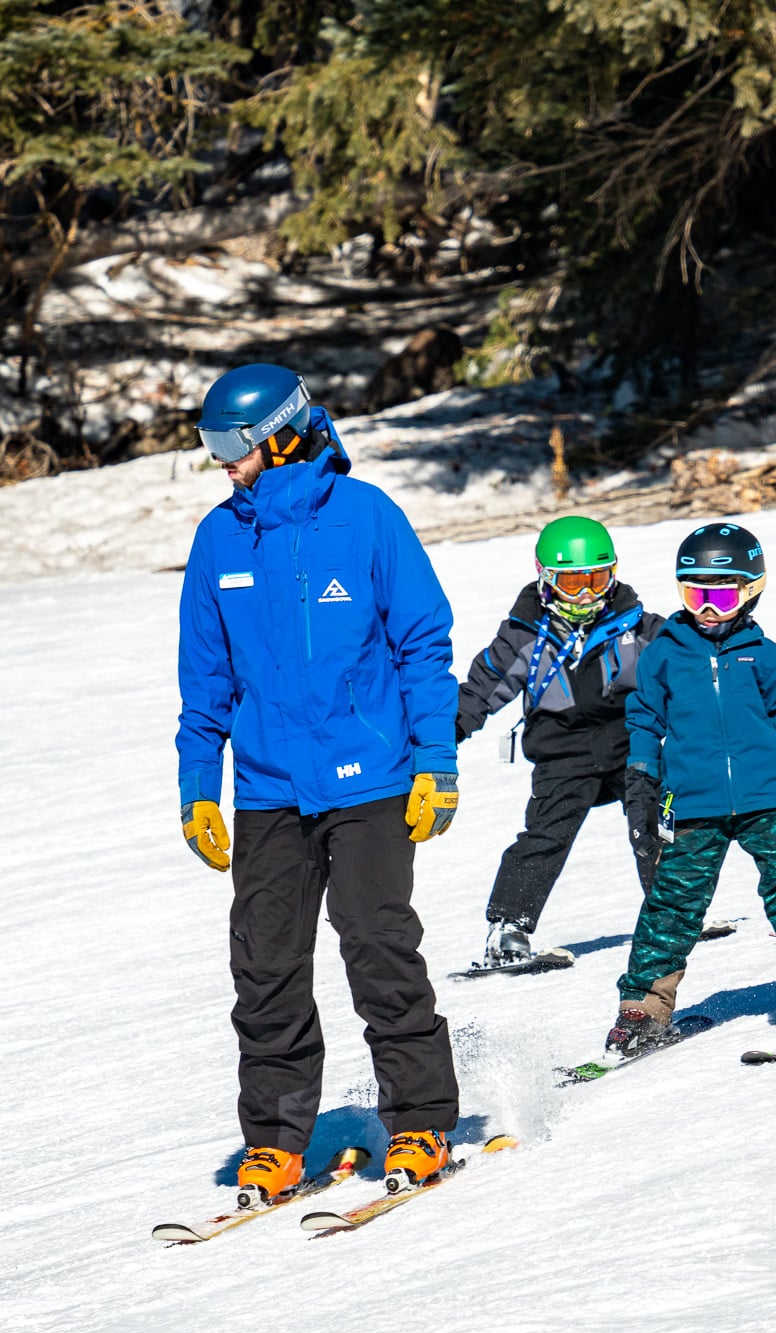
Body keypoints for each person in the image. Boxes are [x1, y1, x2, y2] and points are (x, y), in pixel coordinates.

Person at [175, 363, 462, 1205]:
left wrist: (436, 763)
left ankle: (419, 1121)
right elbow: (206, 681)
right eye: (211, 444)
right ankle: (274, 1142)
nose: (221, 461)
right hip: (268, 791)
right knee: (264, 967)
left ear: (284, 432)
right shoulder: (219, 538)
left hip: (371, 780)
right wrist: (200, 787)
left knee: (377, 947)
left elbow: (423, 645)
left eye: (232, 444)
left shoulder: (367, 518)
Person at [603, 522, 776, 1063]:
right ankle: (644, 1005)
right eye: (695, 594)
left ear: (750, 590)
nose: (708, 608)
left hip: (766, 796)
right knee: (672, 901)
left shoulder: (762, 652)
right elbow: (645, 722)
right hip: (692, 800)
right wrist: (642, 788)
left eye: (721, 594)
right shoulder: (663, 653)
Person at [454, 516, 666, 968]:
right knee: (546, 833)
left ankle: (674, 909)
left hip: (630, 742)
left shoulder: (640, 626)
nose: (587, 593)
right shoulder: (525, 633)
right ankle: (508, 928)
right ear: (546, 579)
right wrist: (444, 734)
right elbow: (483, 687)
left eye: (597, 578)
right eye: (573, 582)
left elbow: (686, 674)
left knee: (655, 816)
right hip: (562, 752)